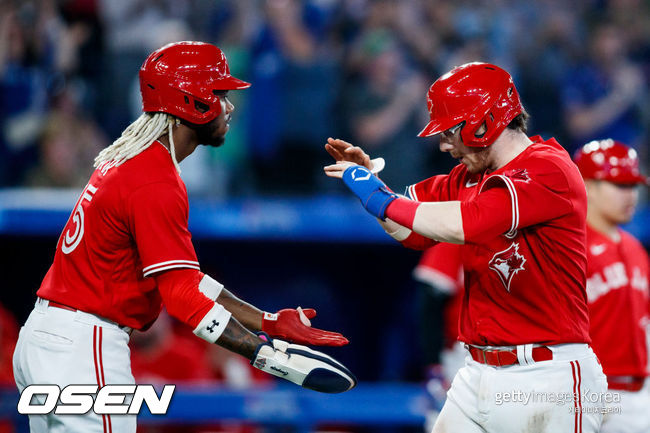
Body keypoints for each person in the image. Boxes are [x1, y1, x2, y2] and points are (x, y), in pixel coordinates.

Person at [12, 41, 354, 433]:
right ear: (192, 102)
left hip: (52, 338)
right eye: (220, 94)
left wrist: (267, 321)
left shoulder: (134, 160)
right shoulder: (154, 177)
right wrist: (264, 354)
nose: (229, 107)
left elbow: (186, 280)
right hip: (84, 344)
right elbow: (182, 299)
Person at [324, 62, 607, 432]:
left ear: (483, 121)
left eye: (449, 131)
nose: (444, 145)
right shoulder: (469, 175)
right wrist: (375, 185)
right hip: (476, 373)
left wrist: (375, 194)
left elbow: (468, 223)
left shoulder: (548, 168)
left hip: (547, 375)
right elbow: (411, 231)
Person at [573, 139, 650, 433]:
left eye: (633, 185)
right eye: (619, 185)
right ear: (587, 185)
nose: (630, 195)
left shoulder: (636, 249)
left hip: (640, 392)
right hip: (589, 394)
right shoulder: (569, 250)